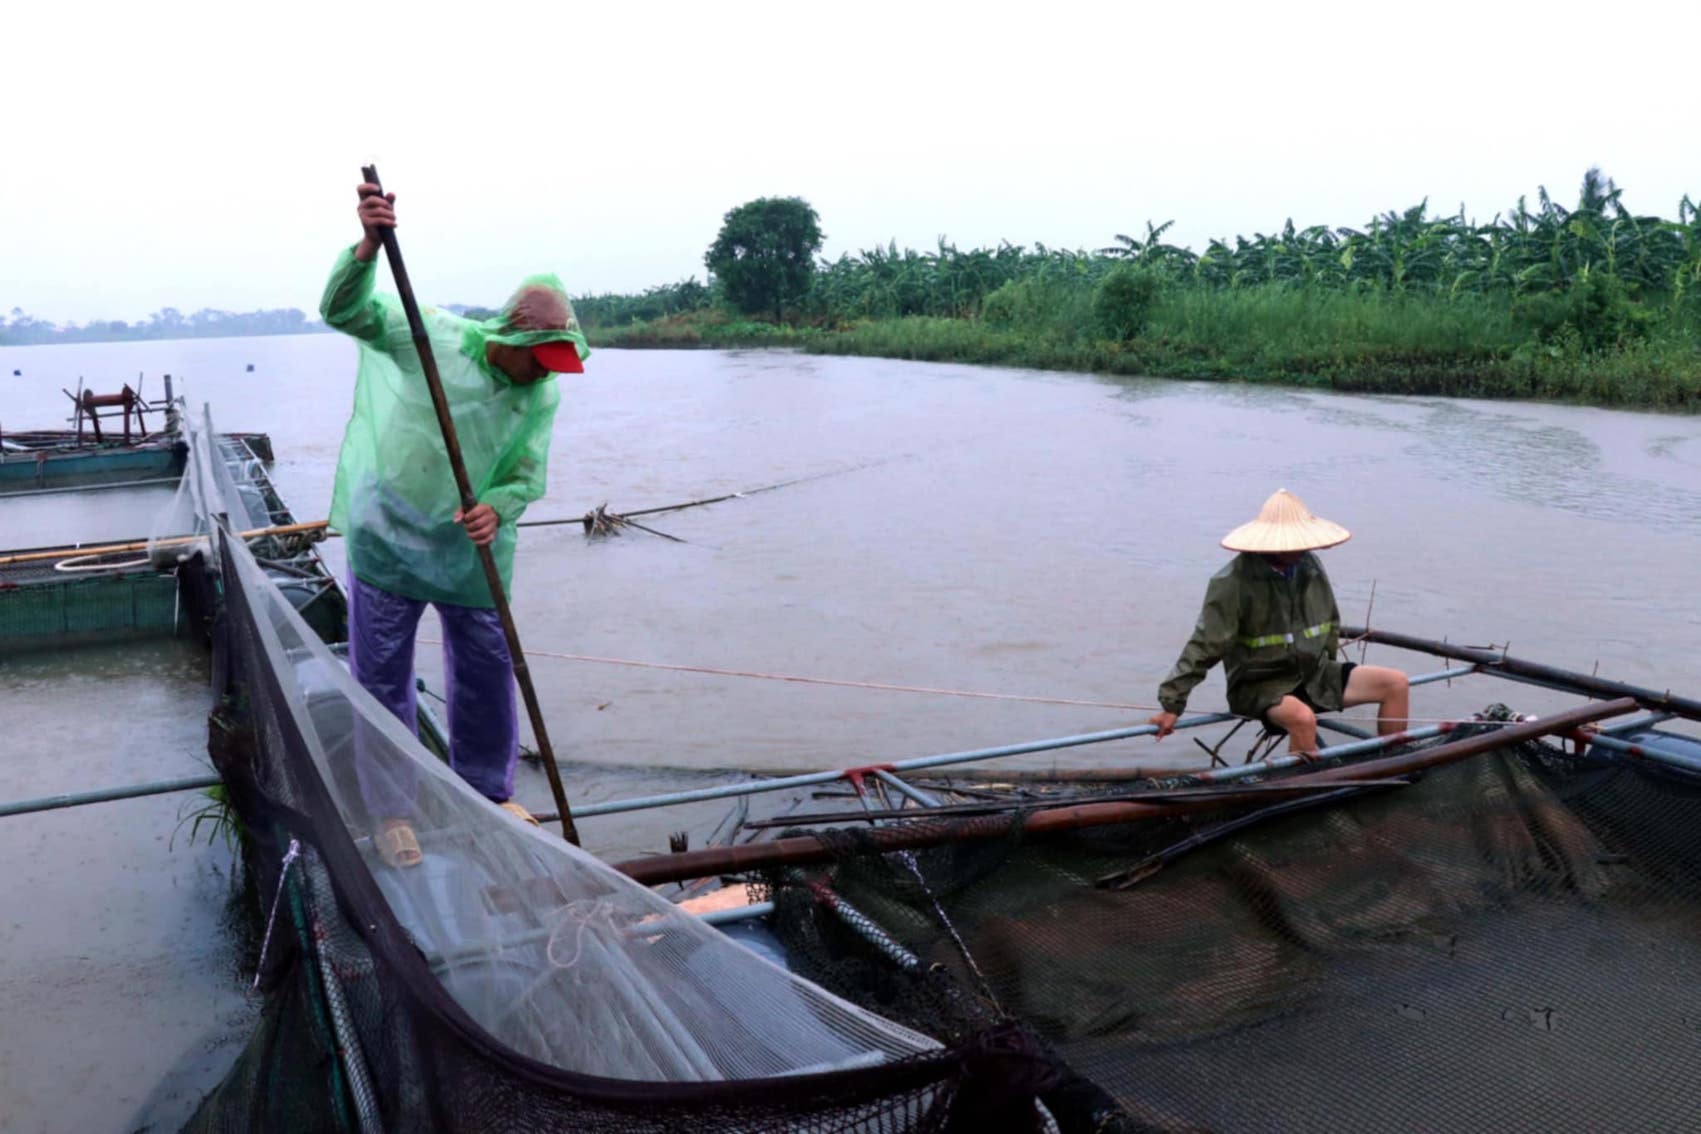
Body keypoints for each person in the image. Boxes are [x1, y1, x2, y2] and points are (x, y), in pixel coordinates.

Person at [321, 181, 589, 867]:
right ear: (511, 339)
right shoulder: (429, 337)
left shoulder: (541, 392)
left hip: (473, 547)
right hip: (392, 535)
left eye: (555, 365)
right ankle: (392, 811)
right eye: (539, 359)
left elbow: (526, 471)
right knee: (382, 676)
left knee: (488, 668)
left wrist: (497, 504)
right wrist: (368, 246)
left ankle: (487, 792)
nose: (544, 375)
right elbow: (343, 310)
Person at [1147, 489, 1409, 755]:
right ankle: (1304, 778)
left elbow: (1330, 623)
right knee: (1303, 718)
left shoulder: (1310, 566)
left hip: (1314, 674)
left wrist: (1328, 666)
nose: (1301, 549)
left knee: (1396, 683)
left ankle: (1396, 762)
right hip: (1259, 685)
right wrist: (1172, 704)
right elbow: (1205, 645)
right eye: (1293, 543)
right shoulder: (1233, 582)